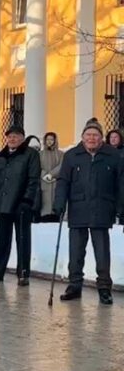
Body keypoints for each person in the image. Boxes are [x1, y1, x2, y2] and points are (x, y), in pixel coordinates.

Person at [54, 118, 124, 305]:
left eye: (95, 135)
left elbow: (120, 183)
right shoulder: (71, 156)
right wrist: (59, 203)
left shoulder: (113, 155)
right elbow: (63, 181)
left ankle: (104, 288)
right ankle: (74, 285)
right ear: (82, 137)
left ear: (101, 138)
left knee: (102, 252)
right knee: (76, 251)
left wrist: (121, 207)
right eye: (88, 135)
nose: (91, 138)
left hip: (102, 208)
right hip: (78, 208)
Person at [0, 125, 41, 286]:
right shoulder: (1, 156)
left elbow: (33, 179)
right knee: (1, 240)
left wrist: (27, 200)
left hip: (21, 203)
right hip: (3, 204)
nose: (12, 139)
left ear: (22, 138)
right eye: (9, 136)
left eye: (16, 136)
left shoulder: (30, 154)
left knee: (22, 239)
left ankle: (23, 273)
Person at [39, 132, 64, 223]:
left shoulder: (60, 154)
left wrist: (52, 174)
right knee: (44, 200)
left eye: (51, 139)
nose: (49, 141)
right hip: (43, 182)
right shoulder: (40, 154)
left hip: (55, 181)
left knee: (54, 198)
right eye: (48, 139)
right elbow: (37, 166)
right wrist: (44, 175)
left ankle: (55, 213)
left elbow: (61, 165)